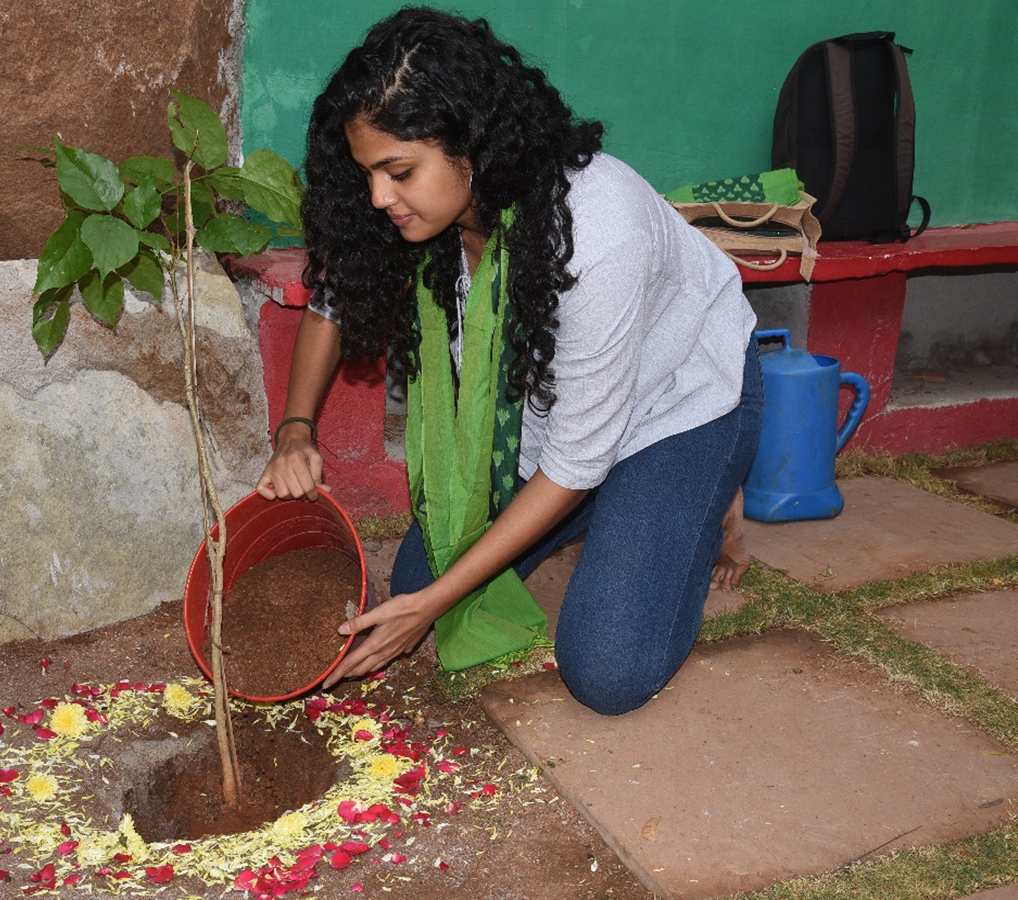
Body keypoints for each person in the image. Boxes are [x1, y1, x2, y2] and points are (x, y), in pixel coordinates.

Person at [256, 7, 763, 715]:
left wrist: (430, 605)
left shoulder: (597, 227)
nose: (378, 196)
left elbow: (580, 460)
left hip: (672, 402)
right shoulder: (418, 213)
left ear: (472, 145)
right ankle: (637, 508)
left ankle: (704, 477)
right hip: (553, 426)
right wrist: (296, 431)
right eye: (368, 173)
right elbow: (333, 301)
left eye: (398, 171)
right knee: (414, 579)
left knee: (607, 672)